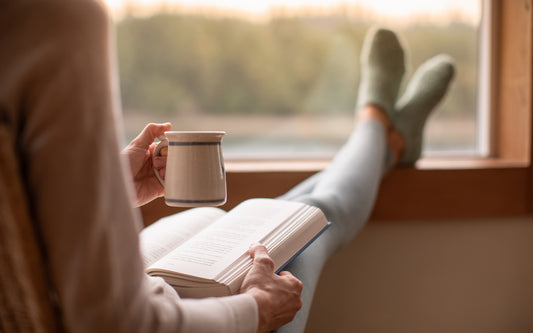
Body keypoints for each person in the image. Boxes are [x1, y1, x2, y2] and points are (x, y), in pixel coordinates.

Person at [0, 0, 454, 332]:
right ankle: (378, 129)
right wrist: (256, 310)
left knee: (282, 220)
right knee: (314, 216)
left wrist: (109, 189)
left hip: (100, 296)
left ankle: (383, 135)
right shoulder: (53, 19)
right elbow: (117, 323)